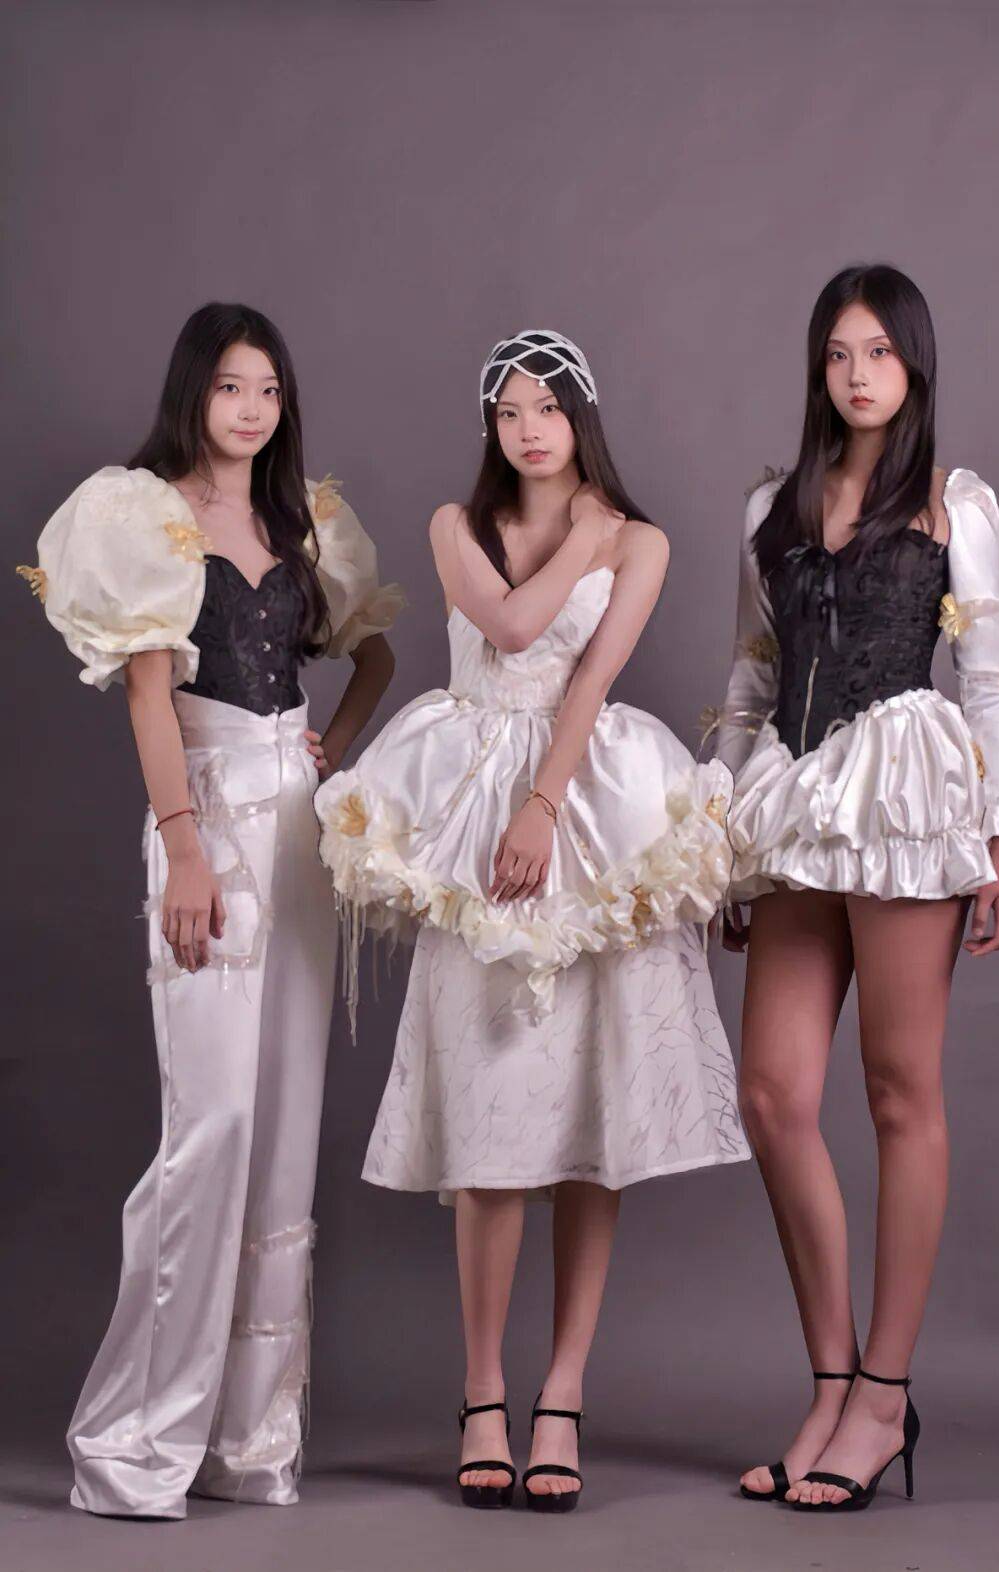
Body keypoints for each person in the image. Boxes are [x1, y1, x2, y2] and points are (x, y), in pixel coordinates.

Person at [315, 329, 749, 1512]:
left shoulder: (643, 540)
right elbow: (511, 631)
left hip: (588, 802)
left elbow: (590, 677)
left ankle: (562, 1394)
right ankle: (482, 1394)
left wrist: (546, 803)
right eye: (508, 411)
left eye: (548, 407)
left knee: (593, 1116)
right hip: (468, 805)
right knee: (490, 1115)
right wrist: (587, 541)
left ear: (581, 415)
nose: (529, 429)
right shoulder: (457, 527)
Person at [17, 302, 402, 1518]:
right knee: (216, 1120)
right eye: (232, 386)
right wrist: (184, 846)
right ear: (193, 391)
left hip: (299, 831)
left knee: (285, 1131)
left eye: (269, 390)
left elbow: (373, 656)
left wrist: (330, 747)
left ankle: (248, 1441)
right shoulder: (143, 516)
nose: (251, 409)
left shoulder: (303, 524)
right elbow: (148, 697)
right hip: (207, 821)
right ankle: (137, 1445)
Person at [707, 265, 999, 1512]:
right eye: (839, 353)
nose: (857, 374)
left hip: (903, 798)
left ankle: (885, 1400)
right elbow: (750, 675)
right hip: (794, 801)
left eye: (879, 352)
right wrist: (722, 836)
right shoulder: (769, 507)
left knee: (900, 1091)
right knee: (773, 1093)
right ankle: (833, 1382)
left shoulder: (956, 502)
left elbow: (986, 680)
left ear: (914, 364)